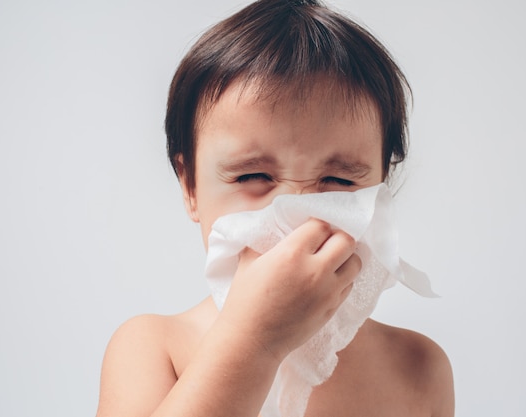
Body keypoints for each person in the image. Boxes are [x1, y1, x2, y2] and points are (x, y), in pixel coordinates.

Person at [95, 0, 454, 416]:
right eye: (252, 177)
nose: (298, 213)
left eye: (339, 182)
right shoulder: (153, 348)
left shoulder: (418, 368)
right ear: (190, 186)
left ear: (379, 193)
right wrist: (255, 341)